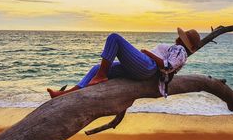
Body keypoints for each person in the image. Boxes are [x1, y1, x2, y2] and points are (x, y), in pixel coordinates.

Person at [47, 27, 201, 98]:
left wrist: (147, 53)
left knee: (114, 38)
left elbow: (167, 66)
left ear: (183, 40)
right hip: (144, 69)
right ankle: (65, 94)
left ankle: (101, 76)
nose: (180, 38)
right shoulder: (179, 50)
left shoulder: (180, 50)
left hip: (149, 67)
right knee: (96, 67)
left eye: (183, 37)